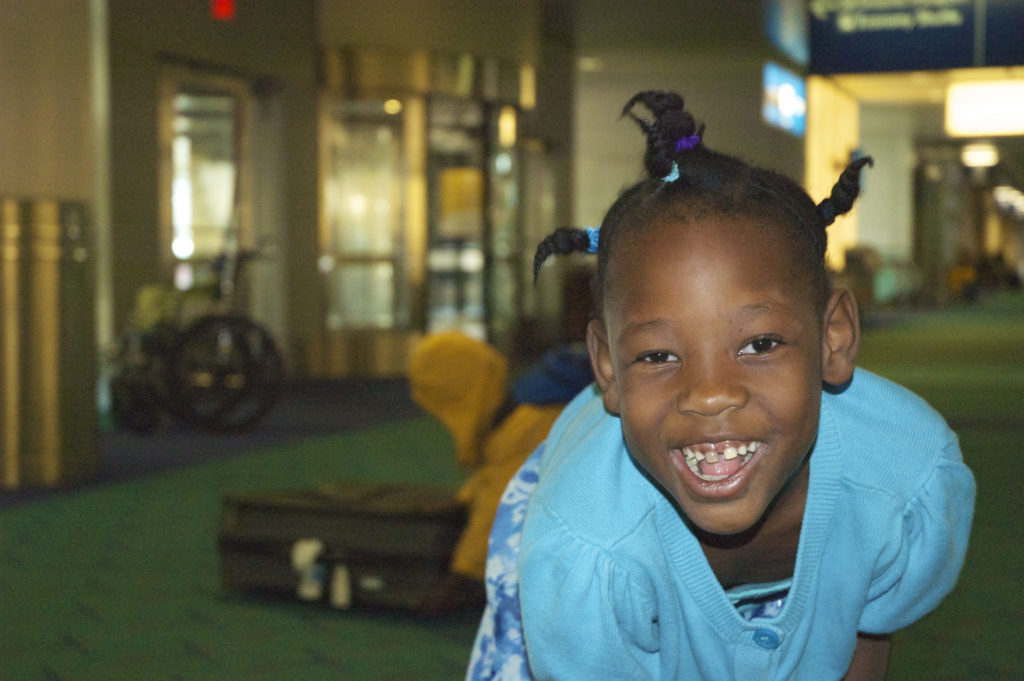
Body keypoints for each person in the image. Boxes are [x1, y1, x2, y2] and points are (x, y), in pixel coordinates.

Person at [472, 91, 975, 680]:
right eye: (658, 355)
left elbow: (864, 628)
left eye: (759, 345)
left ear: (833, 338)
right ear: (607, 368)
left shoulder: (905, 478)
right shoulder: (584, 549)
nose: (710, 394)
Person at [408, 331, 591, 616]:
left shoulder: (527, 424)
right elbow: (495, 474)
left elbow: (501, 505)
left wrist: (463, 579)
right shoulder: (526, 401)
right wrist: (466, 500)